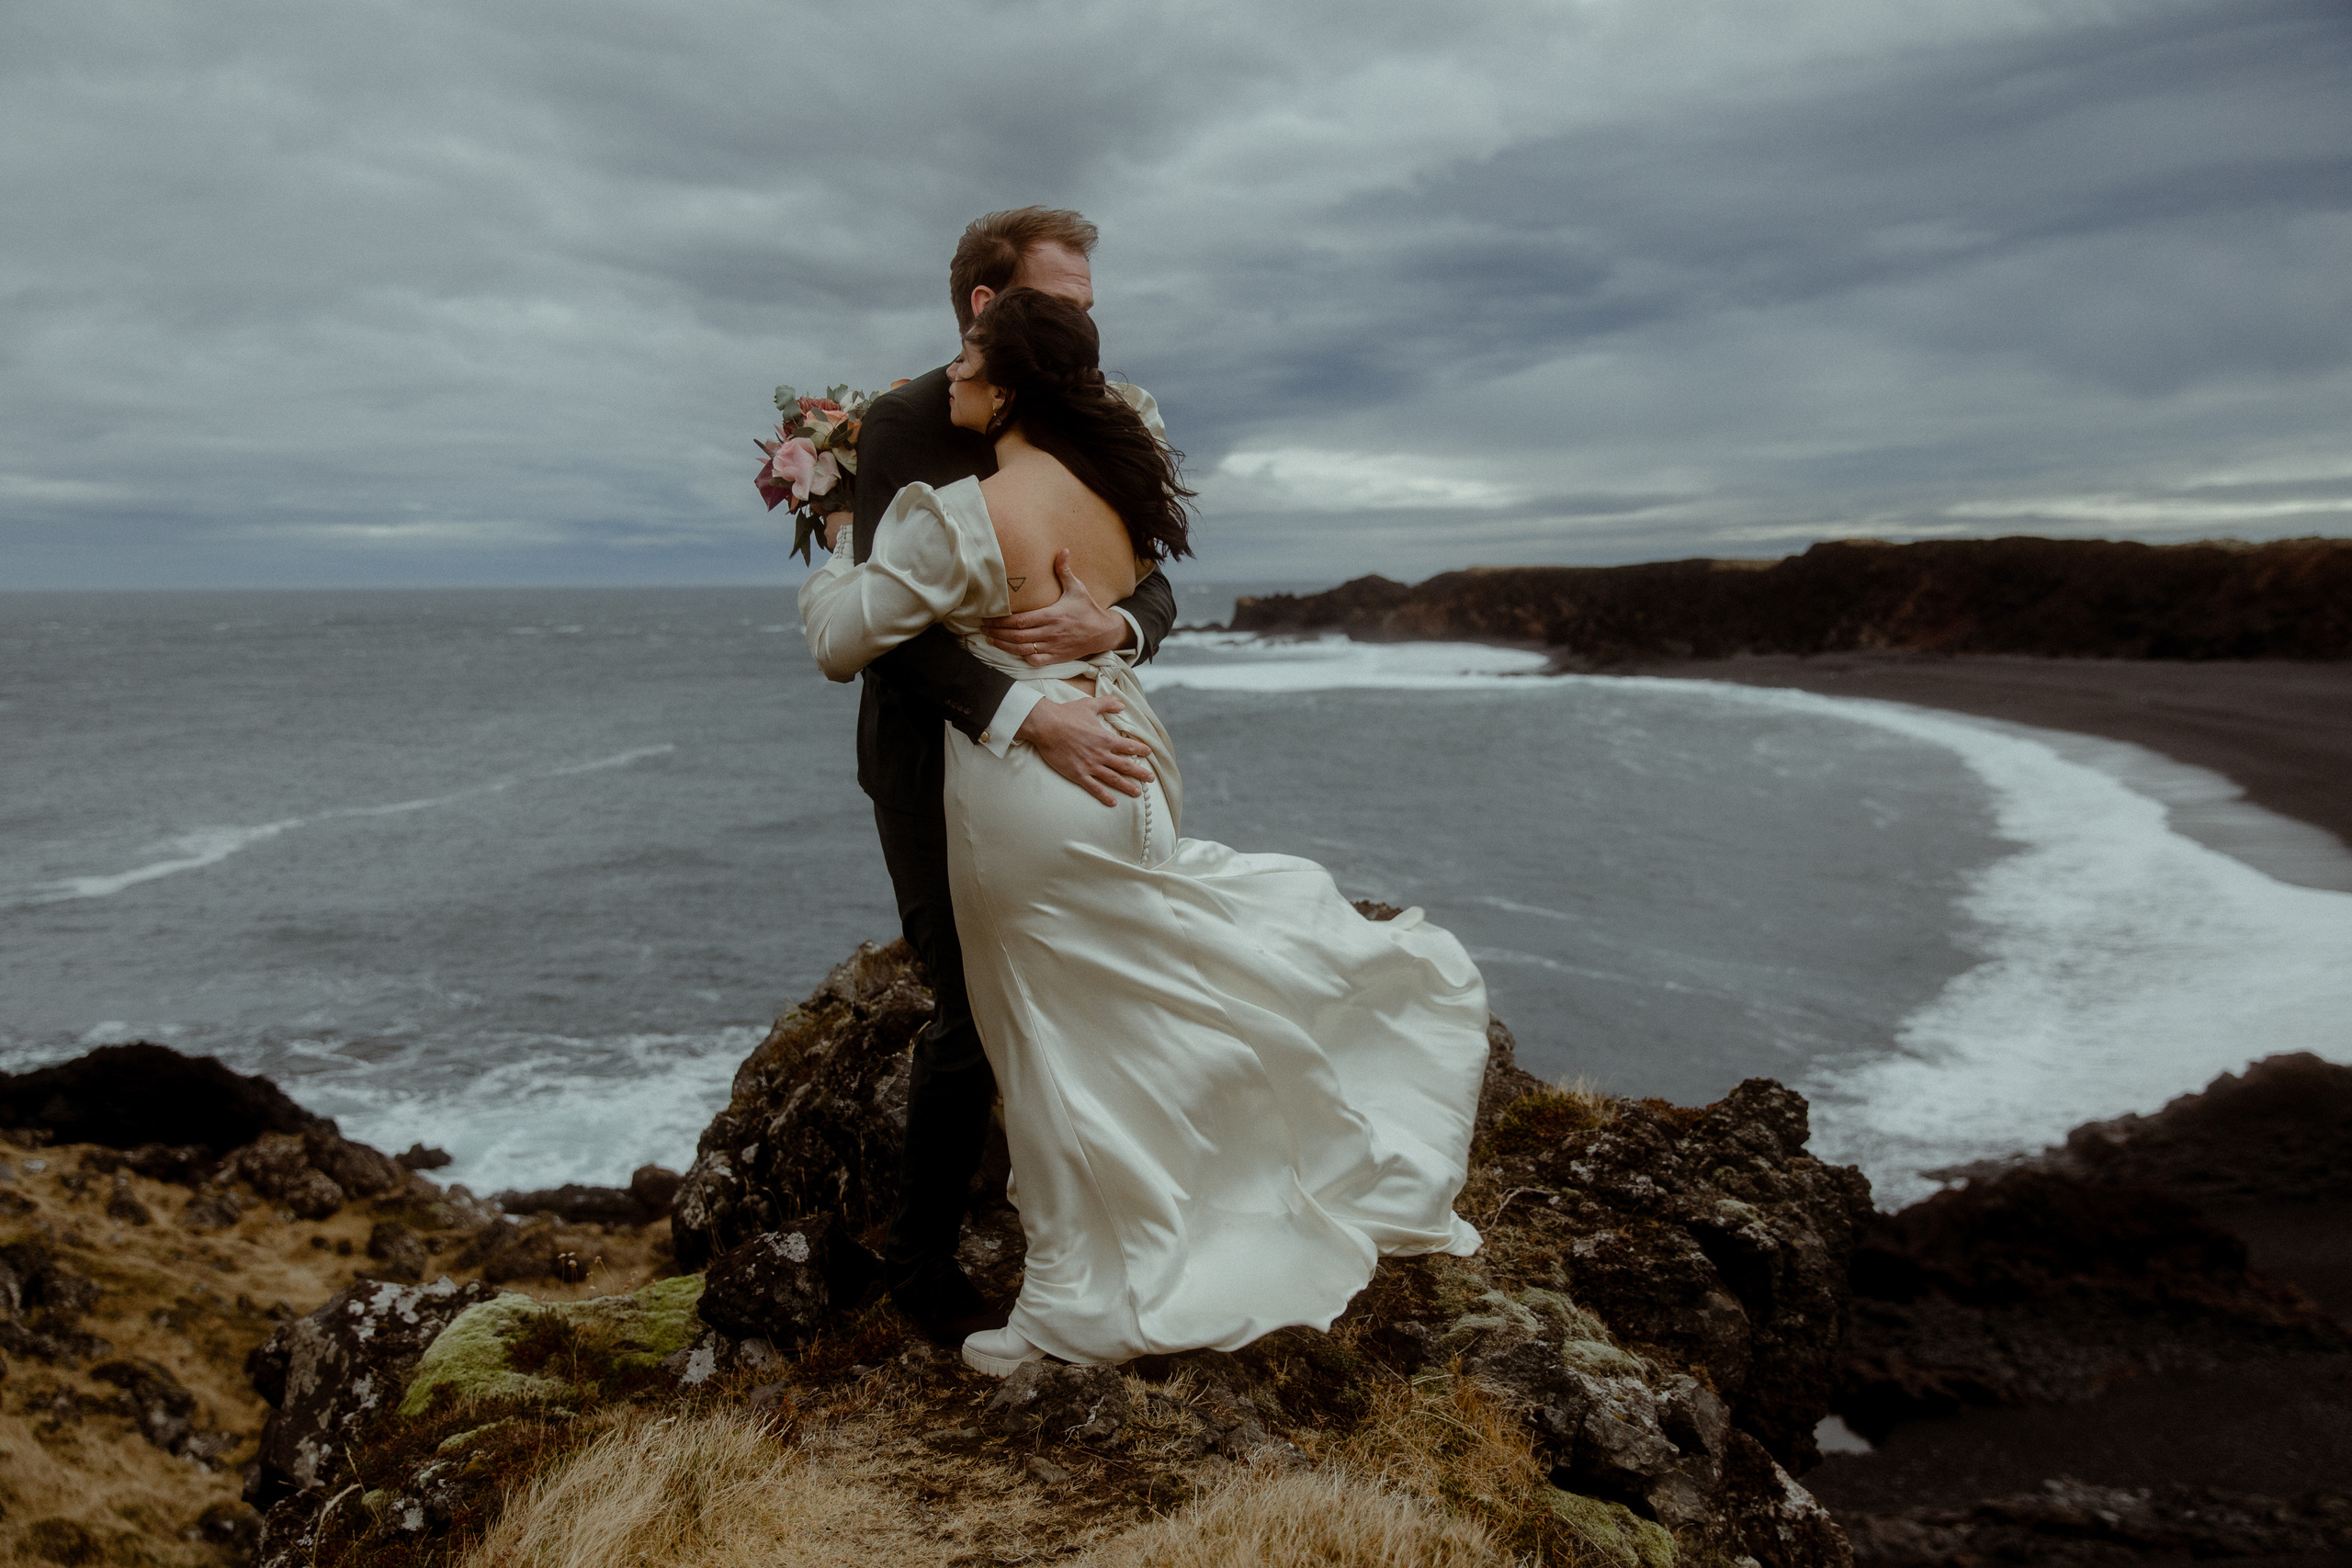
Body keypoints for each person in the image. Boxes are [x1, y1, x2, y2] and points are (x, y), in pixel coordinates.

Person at [801, 288, 1487, 1375]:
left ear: (1011, 382)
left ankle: (1090, 1292)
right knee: (1126, 1006)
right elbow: (1136, 603)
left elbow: (842, 640)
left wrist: (845, 547)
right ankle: (1219, 1200)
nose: (952, 378)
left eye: (970, 361)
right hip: (1125, 743)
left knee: (1050, 1038)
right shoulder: (1116, 490)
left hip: (1032, 775)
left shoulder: (963, 510)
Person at [840, 208, 1177, 1345]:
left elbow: (1159, 585)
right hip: (935, 757)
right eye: (1067, 304)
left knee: (1091, 984)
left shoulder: (1101, 421)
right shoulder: (901, 425)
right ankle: (922, 1268)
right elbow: (893, 631)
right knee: (968, 1009)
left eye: (1091, 303)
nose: (1089, 328)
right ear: (989, 307)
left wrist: (1113, 627)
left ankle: (1108, 1236)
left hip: (1083, 746)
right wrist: (1027, 714)